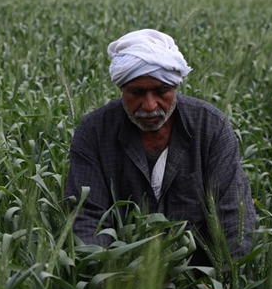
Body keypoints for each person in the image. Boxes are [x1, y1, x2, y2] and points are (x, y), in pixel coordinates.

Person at [64, 29, 256, 266]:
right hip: (122, 277)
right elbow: (87, 216)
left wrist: (230, 282)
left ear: (174, 86)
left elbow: (233, 213)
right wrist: (104, 278)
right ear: (121, 88)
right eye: (136, 92)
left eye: (161, 91)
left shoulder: (210, 127)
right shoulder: (94, 132)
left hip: (200, 279)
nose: (150, 105)